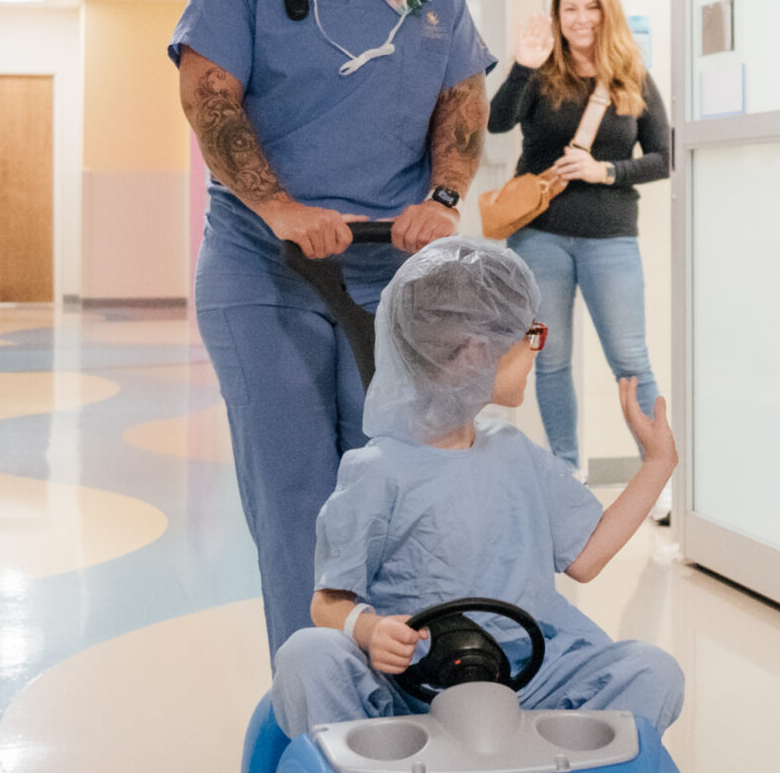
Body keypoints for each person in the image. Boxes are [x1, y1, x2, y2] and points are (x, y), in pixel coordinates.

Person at [171, 0, 492, 655]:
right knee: (299, 500)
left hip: (392, 273)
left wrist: (443, 196)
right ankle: (312, 699)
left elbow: (463, 99)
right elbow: (210, 97)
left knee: (400, 485)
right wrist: (277, 206)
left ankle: (400, 680)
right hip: (265, 269)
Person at [270, 237, 684, 738]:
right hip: (410, 689)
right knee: (308, 655)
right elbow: (327, 602)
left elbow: (587, 557)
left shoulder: (515, 452)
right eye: (530, 335)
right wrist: (369, 629)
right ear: (476, 353)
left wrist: (658, 463)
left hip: (528, 683)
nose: (538, 349)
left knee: (653, 671)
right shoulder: (377, 470)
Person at [485, 0, 671, 479]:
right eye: (570, 9)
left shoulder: (631, 74)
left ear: (605, 11)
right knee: (550, 360)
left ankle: (659, 472)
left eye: (591, 7)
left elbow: (663, 158)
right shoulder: (541, 72)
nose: (581, 18)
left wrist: (605, 170)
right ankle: (565, 470)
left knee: (631, 359)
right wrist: (522, 65)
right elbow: (496, 121)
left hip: (610, 237)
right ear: (557, 16)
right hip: (539, 236)